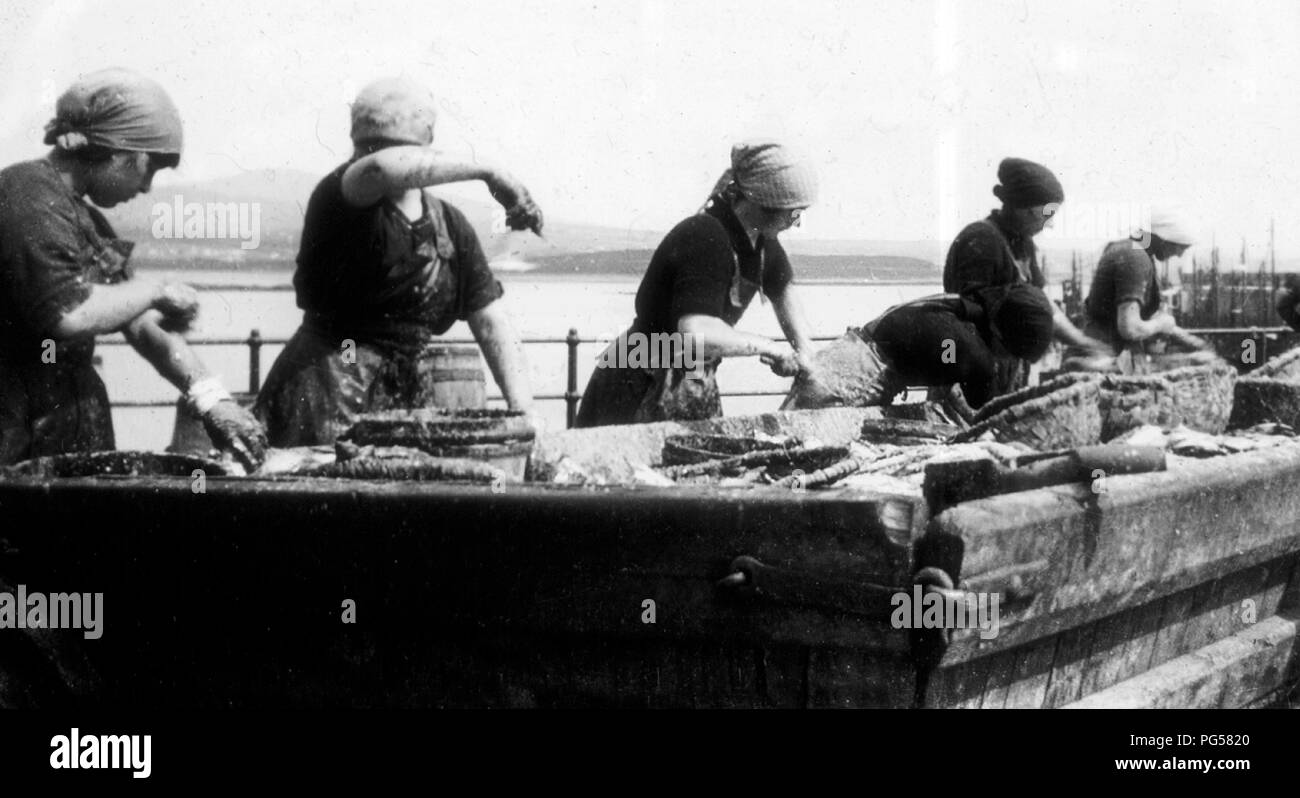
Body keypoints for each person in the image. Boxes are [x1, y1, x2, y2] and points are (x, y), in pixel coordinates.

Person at [0, 68, 267, 470]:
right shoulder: (26, 196)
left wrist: (212, 399)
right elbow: (67, 313)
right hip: (14, 414)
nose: (146, 188)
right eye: (149, 169)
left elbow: (143, 327)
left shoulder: (84, 218)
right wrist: (155, 289)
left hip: (66, 413)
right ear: (119, 152)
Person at [254, 77, 542, 446]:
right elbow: (381, 169)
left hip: (407, 398)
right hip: (327, 384)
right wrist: (489, 172)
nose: (385, 157)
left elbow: (491, 321)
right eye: (374, 149)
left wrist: (524, 414)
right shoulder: (341, 195)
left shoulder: (451, 227)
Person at [574, 141, 819, 427]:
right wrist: (769, 347)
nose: (796, 221)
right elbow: (696, 330)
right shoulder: (706, 236)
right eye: (792, 212)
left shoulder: (760, 242)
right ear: (763, 202)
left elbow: (783, 288)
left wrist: (804, 351)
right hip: (639, 378)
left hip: (691, 377)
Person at [944, 157, 1110, 394]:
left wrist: (1081, 342)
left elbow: (1043, 304)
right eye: (1047, 213)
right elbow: (964, 321)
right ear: (1024, 207)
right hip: (971, 374)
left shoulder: (1022, 244)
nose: (1050, 223)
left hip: (1006, 369)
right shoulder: (981, 240)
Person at [782, 284, 1055, 411]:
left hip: (840, 359)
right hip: (851, 379)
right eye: (1012, 354)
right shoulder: (972, 351)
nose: (1007, 360)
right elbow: (986, 409)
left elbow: (947, 355)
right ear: (1003, 335)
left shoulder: (960, 307)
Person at [1063, 209, 1215, 373]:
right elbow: (1130, 328)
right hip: (1103, 359)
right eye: (1181, 247)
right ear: (1165, 238)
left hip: (1102, 353)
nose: (1180, 254)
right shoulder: (1135, 258)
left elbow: (1142, 318)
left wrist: (1193, 342)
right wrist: (1161, 324)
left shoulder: (1128, 248)